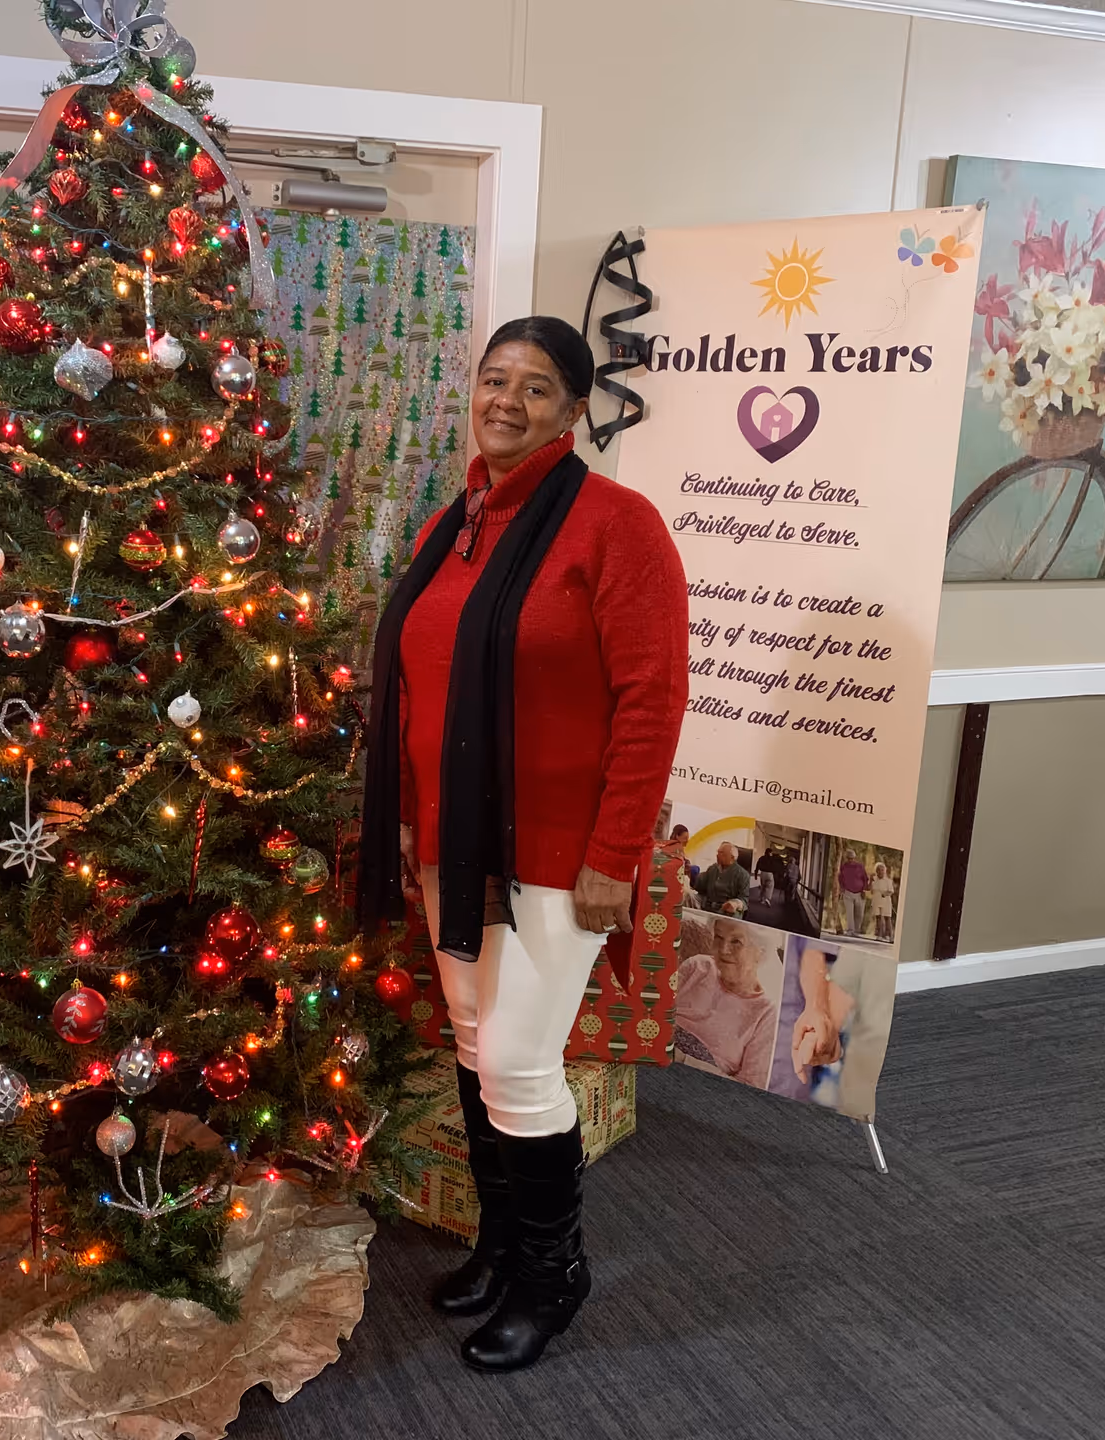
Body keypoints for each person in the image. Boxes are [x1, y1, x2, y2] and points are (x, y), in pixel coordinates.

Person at [358, 316, 688, 1372]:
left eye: (537, 387)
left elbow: (653, 699)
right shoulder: (452, 526)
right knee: (471, 1042)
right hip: (451, 841)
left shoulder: (614, 525)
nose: (508, 400)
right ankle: (503, 1246)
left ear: (576, 408)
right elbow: (420, 682)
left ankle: (554, 1275)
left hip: (556, 849)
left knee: (516, 1058)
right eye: (495, 379)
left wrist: (615, 855)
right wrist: (409, 813)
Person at [674, 918, 776, 1085]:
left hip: (698, 1086)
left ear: (760, 952)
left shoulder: (766, 1013)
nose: (723, 949)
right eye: (719, 938)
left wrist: (683, 1060)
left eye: (736, 941)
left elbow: (751, 1088)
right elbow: (655, 1009)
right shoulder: (698, 965)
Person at [693, 841, 753, 915]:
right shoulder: (713, 868)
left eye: (721, 853)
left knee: (733, 911)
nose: (717, 855)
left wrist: (735, 904)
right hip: (707, 904)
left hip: (725, 909)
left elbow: (744, 899)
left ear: (732, 857)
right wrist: (692, 875)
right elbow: (700, 888)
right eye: (717, 852)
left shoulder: (743, 875)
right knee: (688, 896)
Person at [837, 851, 869, 936]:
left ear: (855, 858)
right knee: (849, 912)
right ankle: (850, 930)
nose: (850, 860)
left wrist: (864, 890)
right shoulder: (843, 867)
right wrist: (842, 888)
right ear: (846, 858)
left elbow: (865, 879)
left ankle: (856, 931)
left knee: (859, 913)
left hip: (859, 892)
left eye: (852, 858)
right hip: (847, 892)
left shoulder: (860, 866)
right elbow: (840, 878)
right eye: (849, 858)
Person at [868, 861, 896, 942]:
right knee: (878, 918)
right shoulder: (874, 880)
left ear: (884, 871)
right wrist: (870, 879)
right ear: (876, 871)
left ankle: (891, 937)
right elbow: (870, 889)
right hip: (876, 900)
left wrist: (885, 894)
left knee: (887, 918)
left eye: (882, 870)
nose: (880, 872)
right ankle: (880, 935)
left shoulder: (888, 881)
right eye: (878, 870)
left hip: (885, 900)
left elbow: (891, 891)